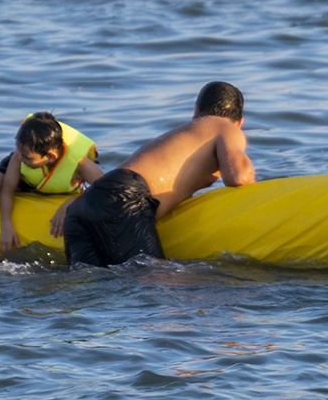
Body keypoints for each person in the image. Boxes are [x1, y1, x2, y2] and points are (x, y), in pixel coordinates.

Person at [58, 81, 255, 267]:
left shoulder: (184, 134)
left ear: (196, 110)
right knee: (156, 278)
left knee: (90, 282)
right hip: (123, 200)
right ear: (240, 122)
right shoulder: (226, 127)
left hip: (83, 207)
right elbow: (238, 177)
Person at [0, 112, 103, 259]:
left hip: (57, 188)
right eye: (18, 152)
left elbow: (106, 188)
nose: (20, 158)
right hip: (25, 178)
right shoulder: (23, 153)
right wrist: (6, 224)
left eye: (26, 156)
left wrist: (70, 203)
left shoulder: (78, 162)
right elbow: (7, 189)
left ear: (50, 156)